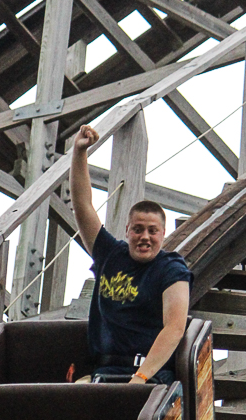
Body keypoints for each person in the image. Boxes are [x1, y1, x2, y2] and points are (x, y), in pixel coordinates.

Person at [70, 124, 193, 385]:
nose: (145, 237)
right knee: (70, 400)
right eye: (138, 230)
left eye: (152, 231)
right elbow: (82, 206)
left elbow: (175, 327)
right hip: (104, 373)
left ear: (162, 234)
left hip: (148, 375)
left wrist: (140, 377)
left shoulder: (172, 269)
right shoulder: (110, 254)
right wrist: (79, 153)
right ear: (127, 231)